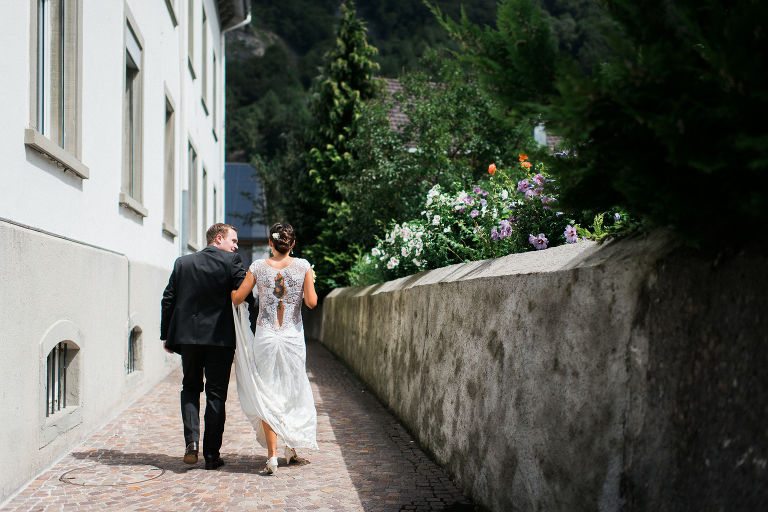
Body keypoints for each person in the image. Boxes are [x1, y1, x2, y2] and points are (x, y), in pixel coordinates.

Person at [160, 223, 254, 470]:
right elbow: (245, 293)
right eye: (233, 240)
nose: (236, 246)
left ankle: (191, 442)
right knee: (216, 394)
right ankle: (211, 455)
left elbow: (168, 298)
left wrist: (166, 336)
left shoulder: (183, 263)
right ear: (218, 238)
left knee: (190, 387)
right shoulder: (232, 262)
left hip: (188, 338)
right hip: (220, 339)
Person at [231, 222, 318, 474]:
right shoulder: (303, 266)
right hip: (291, 336)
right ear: (292, 244)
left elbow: (238, 298)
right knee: (292, 387)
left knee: (268, 391)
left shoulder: (258, 266)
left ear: (271, 243)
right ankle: (291, 448)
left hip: (267, 337)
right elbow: (311, 302)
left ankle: (272, 456)